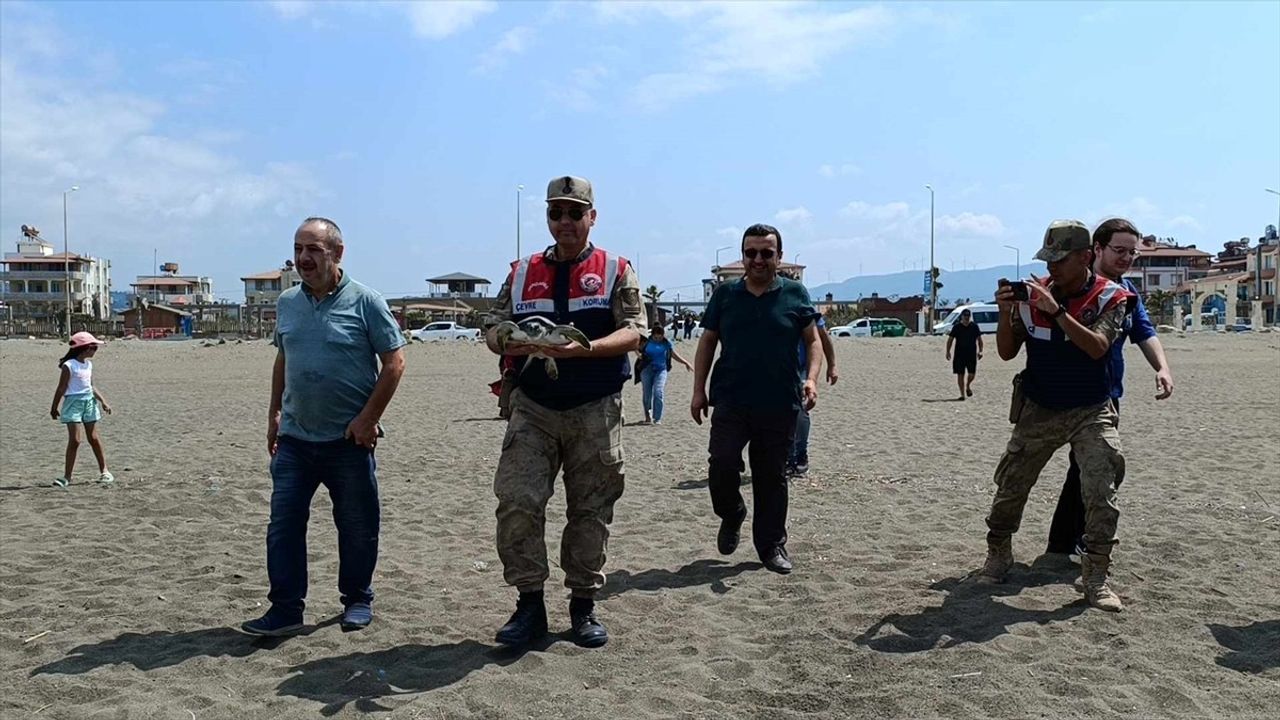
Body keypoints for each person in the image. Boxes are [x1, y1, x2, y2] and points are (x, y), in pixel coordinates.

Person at [484, 176, 646, 649]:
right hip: (533, 407)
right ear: (548, 217)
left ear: (592, 216)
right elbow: (492, 326)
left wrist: (586, 349)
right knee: (517, 502)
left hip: (595, 410)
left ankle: (583, 605)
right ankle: (529, 604)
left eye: (575, 212)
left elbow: (636, 331)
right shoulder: (521, 271)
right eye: (557, 212)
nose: (566, 221)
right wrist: (508, 340)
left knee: (591, 510)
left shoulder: (616, 268)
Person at [242, 217, 407, 637]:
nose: (303, 258)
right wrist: (274, 414)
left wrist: (368, 419)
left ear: (337, 252)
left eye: (313, 249)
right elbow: (283, 359)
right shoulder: (288, 303)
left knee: (356, 524)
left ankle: (356, 599)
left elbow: (394, 364)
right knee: (283, 526)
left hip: (348, 440)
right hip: (296, 437)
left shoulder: (366, 301)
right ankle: (285, 609)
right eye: (299, 249)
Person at [975, 219, 1134, 612]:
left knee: (1101, 490)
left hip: (1090, 409)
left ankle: (1095, 577)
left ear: (1085, 257)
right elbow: (1008, 352)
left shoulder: (1110, 297)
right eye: (1048, 259)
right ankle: (998, 554)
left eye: (1060, 260)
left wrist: (1058, 312)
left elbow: (1097, 347)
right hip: (1040, 407)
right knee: (1011, 485)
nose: (1052, 268)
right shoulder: (1035, 295)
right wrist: (1008, 311)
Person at [691, 224, 821, 574]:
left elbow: (812, 341)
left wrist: (810, 378)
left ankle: (771, 546)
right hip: (731, 399)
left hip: (779, 402)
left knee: (771, 476)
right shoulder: (725, 295)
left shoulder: (795, 293)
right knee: (721, 463)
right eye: (751, 253)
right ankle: (732, 513)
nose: (758, 259)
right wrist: (697, 390)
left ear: (779, 257)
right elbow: (707, 342)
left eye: (767, 253)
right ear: (743, 256)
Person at [1046, 218, 1174, 557]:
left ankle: (1066, 544)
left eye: (1132, 252)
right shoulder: (1076, 286)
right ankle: (1063, 543)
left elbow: (1144, 332)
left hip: (1108, 395)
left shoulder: (1127, 293)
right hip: (1064, 394)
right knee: (1080, 470)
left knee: (1091, 470)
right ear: (1096, 249)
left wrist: (1162, 368)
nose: (1126, 258)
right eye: (1119, 250)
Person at [49, 332, 114, 488]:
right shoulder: (69, 366)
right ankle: (67, 477)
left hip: (89, 403)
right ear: (84, 348)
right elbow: (61, 388)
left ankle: (105, 471)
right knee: (75, 440)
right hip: (73, 404)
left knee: (93, 438)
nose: (95, 351)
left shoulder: (88, 365)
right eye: (93, 348)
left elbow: (91, 386)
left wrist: (103, 402)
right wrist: (54, 407)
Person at [788, 316, 838, 476]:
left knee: (801, 410)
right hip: (778, 368)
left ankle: (801, 455)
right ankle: (788, 457)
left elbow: (822, 337)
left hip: (802, 367)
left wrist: (832, 365)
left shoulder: (804, 307)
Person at [635, 324, 692, 424]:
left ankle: (657, 418)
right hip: (647, 370)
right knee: (647, 394)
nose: (657, 339)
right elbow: (634, 346)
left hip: (661, 370)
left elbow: (674, 355)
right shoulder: (646, 341)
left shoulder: (666, 343)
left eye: (660, 337)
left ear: (663, 335)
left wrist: (685, 362)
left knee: (658, 392)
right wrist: (638, 355)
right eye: (655, 337)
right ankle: (648, 417)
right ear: (652, 335)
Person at [945, 309, 984, 400]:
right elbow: (950, 340)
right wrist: (948, 351)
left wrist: (981, 351)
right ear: (961, 317)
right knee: (960, 374)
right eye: (965, 316)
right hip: (959, 354)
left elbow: (979, 340)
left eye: (968, 316)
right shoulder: (957, 327)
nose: (966, 318)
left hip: (971, 354)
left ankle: (968, 386)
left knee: (972, 374)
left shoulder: (974, 327)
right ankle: (962, 395)